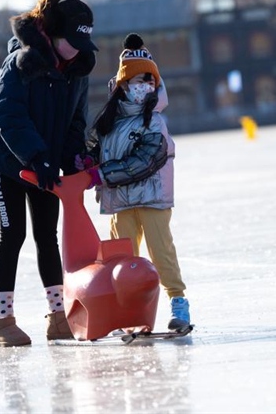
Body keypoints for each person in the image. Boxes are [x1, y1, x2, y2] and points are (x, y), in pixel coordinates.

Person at [0, 0, 98, 347]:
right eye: (72, 44)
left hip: (43, 164)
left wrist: (75, 161)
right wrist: (36, 156)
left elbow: (75, 122)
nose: (77, 53)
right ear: (55, 33)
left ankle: (58, 317)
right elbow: (7, 114)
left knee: (48, 236)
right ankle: (4, 321)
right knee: (13, 235)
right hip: (9, 161)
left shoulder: (74, 72)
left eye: (82, 46)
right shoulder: (20, 63)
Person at [81, 33, 191, 331]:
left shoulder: (154, 121)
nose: (144, 87)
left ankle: (178, 302)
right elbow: (94, 148)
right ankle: (131, 311)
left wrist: (102, 175)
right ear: (123, 85)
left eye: (150, 81)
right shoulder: (109, 121)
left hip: (152, 198)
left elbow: (145, 161)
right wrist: (87, 162)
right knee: (122, 259)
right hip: (120, 202)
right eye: (137, 81)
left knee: (161, 252)